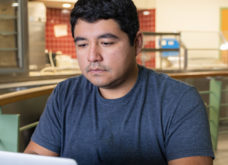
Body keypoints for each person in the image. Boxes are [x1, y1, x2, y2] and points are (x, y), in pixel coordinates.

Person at [24, 0, 214, 164]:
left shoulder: (179, 101)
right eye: (82, 45)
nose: (92, 56)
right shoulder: (65, 95)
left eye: (106, 43)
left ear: (137, 43)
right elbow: (37, 155)